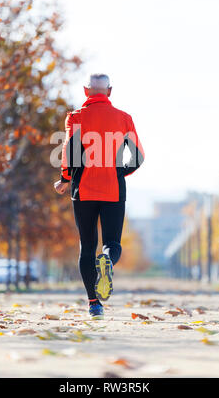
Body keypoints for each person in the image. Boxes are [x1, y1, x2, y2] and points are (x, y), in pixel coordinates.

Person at [54, 74, 145, 319]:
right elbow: (138, 157)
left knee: (87, 245)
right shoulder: (124, 118)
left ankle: (94, 304)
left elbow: (69, 154)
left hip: (83, 189)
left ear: (86, 91)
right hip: (113, 189)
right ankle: (106, 259)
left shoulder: (75, 118)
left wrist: (64, 179)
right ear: (110, 91)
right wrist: (117, 173)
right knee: (112, 243)